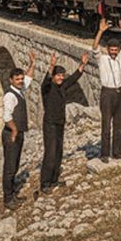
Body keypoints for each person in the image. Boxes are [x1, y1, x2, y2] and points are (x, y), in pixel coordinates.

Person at [40, 52, 89, 194]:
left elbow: (74, 78)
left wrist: (83, 64)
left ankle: (54, 179)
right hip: (50, 123)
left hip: (60, 122)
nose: (61, 78)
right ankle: (45, 183)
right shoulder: (47, 88)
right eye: (58, 75)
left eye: (62, 75)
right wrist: (51, 66)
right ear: (53, 76)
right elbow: (46, 80)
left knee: (58, 151)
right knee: (50, 152)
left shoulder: (62, 86)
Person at [91, 17, 121, 163]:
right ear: (108, 50)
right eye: (112, 50)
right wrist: (100, 31)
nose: (114, 52)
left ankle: (117, 152)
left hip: (119, 93)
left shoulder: (120, 58)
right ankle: (104, 153)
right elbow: (94, 47)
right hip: (107, 93)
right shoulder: (102, 59)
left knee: (119, 124)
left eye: (115, 50)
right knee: (106, 124)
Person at [2, 51, 35, 210]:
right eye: (18, 79)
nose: (21, 81)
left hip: (18, 133)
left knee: (14, 164)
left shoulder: (19, 90)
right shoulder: (10, 96)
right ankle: (8, 198)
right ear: (11, 80)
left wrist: (32, 64)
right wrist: (14, 130)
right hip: (11, 134)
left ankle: (13, 194)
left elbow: (28, 79)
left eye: (21, 79)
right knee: (9, 167)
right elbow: (6, 116)